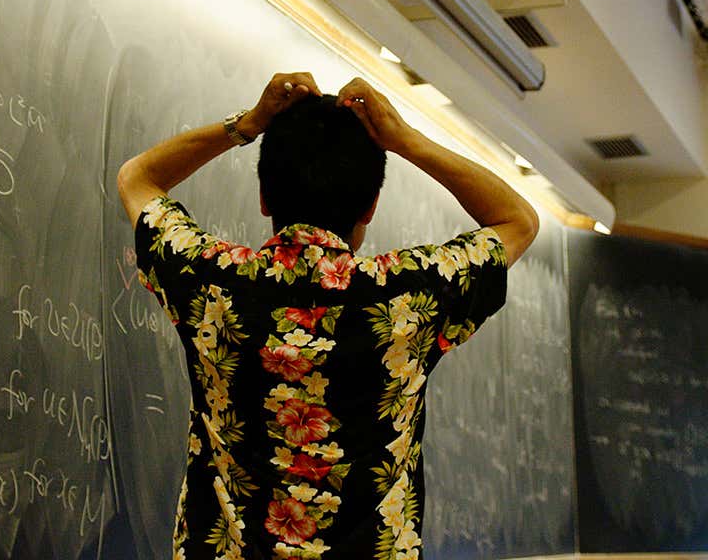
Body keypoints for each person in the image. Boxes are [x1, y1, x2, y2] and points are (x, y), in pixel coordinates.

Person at [116, 72, 539, 560]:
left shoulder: (213, 284)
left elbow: (137, 178)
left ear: (264, 198)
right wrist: (405, 140)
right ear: (371, 206)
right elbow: (518, 220)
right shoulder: (408, 296)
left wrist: (249, 124)